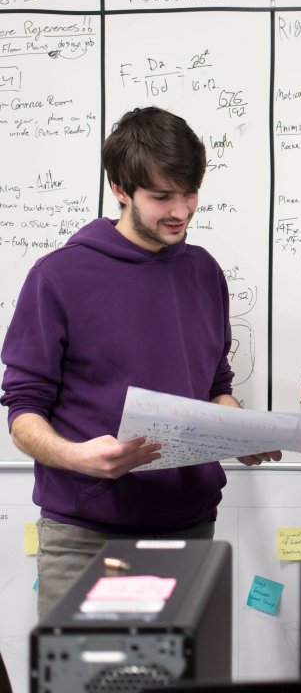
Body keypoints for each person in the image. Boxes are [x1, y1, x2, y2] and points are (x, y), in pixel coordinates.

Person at [1, 106, 281, 618]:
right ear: (120, 188)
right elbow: (22, 413)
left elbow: (216, 382)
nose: (180, 211)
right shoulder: (58, 276)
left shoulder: (204, 272)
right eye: (161, 197)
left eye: (189, 193)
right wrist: (78, 456)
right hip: (86, 540)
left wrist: (236, 428)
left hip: (191, 530)